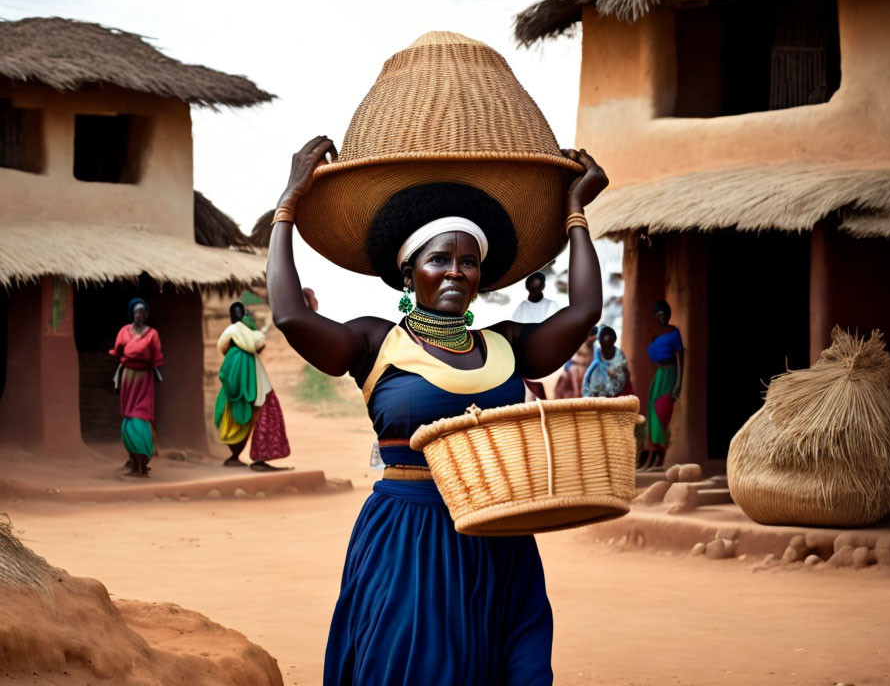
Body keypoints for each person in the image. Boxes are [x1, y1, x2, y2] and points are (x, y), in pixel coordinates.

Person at [267, 135, 608, 685]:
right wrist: (288, 203)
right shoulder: (375, 343)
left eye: (468, 261)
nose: (456, 271)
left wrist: (576, 212)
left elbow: (585, 309)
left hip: (498, 538)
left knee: (510, 667)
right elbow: (289, 317)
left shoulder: (506, 344)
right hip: (409, 538)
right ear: (410, 273)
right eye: (439, 259)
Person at [215, 302, 291, 471]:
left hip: (250, 383)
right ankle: (258, 459)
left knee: (246, 418)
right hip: (252, 385)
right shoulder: (243, 337)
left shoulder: (235, 344)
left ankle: (239, 457)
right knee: (264, 415)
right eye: (243, 314)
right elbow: (255, 343)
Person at [109, 298, 163, 477]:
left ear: (146, 314)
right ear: (132, 313)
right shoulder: (124, 331)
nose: (139, 315)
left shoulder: (152, 334)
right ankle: (133, 457)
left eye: (142, 312)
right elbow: (117, 350)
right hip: (128, 378)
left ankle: (143, 456)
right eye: (136, 312)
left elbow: (157, 355)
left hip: (144, 378)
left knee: (142, 415)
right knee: (129, 414)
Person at [641, 300, 684, 470]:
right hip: (659, 375)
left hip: (671, 374)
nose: (662, 317)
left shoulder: (674, 332)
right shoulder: (655, 333)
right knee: (652, 412)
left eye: (664, 314)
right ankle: (652, 457)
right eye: (658, 314)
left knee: (662, 411)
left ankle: (661, 454)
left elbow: (682, 357)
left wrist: (679, 382)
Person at [582, 326, 632, 398]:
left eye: (609, 347)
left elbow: (621, 384)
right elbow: (587, 380)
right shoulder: (596, 356)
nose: (606, 350)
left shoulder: (619, 359)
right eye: (604, 346)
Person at [554, 326, 598, 399]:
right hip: (572, 378)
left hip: (586, 374)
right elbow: (569, 364)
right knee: (574, 370)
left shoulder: (595, 349)